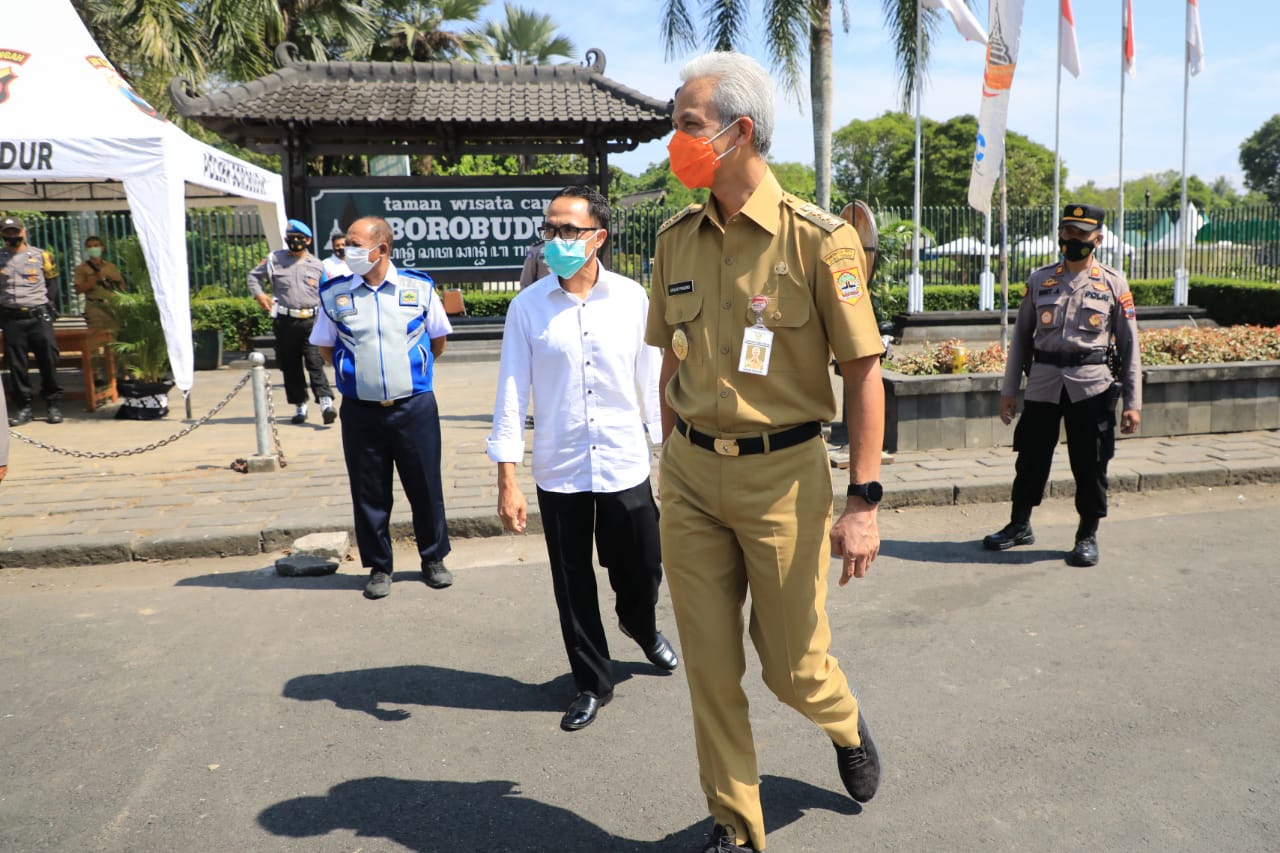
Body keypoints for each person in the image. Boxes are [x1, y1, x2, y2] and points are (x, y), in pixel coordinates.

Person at [645, 52, 885, 853]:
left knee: (790, 666)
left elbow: (863, 374)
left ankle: (843, 721)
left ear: (739, 133)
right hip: (689, 478)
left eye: (686, 126)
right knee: (710, 670)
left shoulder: (821, 242)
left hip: (784, 479)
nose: (672, 141)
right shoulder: (675, 239)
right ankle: (737, 826)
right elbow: (670, 362)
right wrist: (671, 454)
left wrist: (863, 501)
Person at [487, 185, 677, 733]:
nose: (556, 240)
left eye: (569, 230)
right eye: (550, 230)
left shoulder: (632, 299)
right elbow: (510, 393)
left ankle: (640, 628)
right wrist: (508, 479)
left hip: (623, 461)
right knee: (573, 583)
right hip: (560, 466)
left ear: (598, 237)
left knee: (642, 566)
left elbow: (653, 382)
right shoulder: (527, 307)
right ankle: (592, 681)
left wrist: (668, 461)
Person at [984, 203, 1141, 567]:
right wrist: (1009, 392)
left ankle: (1087, 534)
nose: (1072, 240)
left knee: (1090, 462)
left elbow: (1130, 347)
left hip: (1092, 385)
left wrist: (1133, 402)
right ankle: (1019, 524)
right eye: (1067, 232)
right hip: (1043, 384)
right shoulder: (1040, 281)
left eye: (1080, 234)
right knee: (1031, 458)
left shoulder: (1113, 285)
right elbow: (1021, 340)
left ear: (1097, 239)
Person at [310, 216, 454, 600]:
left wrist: (409, 371)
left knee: (425, 485)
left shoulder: (419, 288)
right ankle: (379, 566)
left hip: (415, 406)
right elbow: (326, 347)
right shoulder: (334, 294)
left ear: (382, 248)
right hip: (361, 410)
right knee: (369, 490)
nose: (346, 251)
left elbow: (437, 340)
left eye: (355, 245)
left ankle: (433, 558)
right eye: (345, 245)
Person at [248, 219, 336, 425]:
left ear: (308, 240)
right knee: (290, 364)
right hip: (285, 321)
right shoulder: (274, 259)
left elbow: (328, 291)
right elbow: (253, 277)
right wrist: (259, 295)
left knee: (314, 361)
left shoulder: (317, 265)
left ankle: (325, 402)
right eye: (291, 238)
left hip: (311, 320)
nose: (295, 241)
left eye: (299, 238)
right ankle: (300, 405)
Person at [1, 215, 63, 426]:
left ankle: (52, 404)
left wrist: (49, 306)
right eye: (7, 232)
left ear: (23, 232)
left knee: (48, 360)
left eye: (15, 232)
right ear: (2, 235)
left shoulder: (42, 256)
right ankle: (24, 407)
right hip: (12, 318)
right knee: (17, 365)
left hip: (38, 316)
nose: (12, 236)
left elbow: (53, 283)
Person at [73, 235, 127, 331]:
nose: (93, 248)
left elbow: (121, 285)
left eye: (96, 245)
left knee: (113, 337)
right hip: (94, 306)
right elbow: (78, 289)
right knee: (97, 338)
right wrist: (94, 279)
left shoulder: (111, 267)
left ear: (102, 248)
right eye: (89, 246)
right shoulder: (81, 268)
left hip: (111, 306)